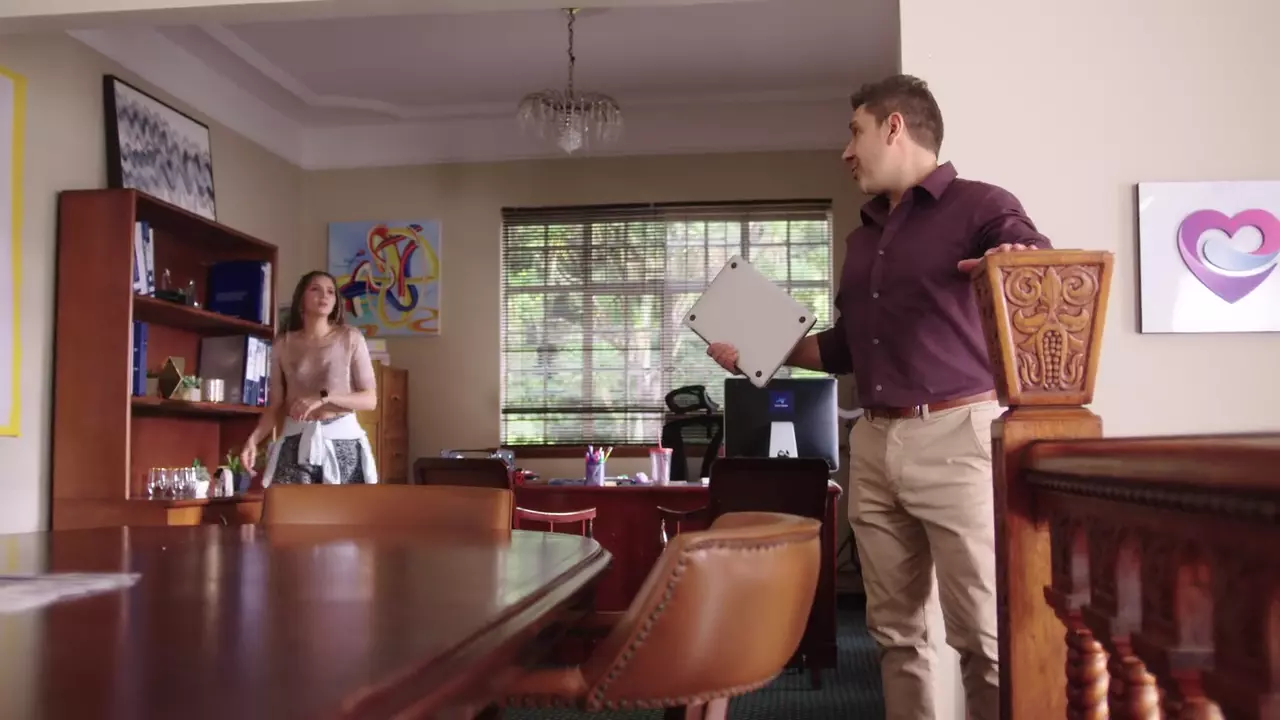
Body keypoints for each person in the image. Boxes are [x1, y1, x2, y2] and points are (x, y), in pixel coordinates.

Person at [707, 74, 1051, 720]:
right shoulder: (862, 239)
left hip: (957, 438)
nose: (846, 152)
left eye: (854, 132)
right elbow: (843, 350)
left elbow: (1028, 252)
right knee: (896, 634)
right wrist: (756, 350)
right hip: (873, 441)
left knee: (983, 635)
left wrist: (1013, 257)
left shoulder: (981, 204)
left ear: (894, 127)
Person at [240, 270, 380, 486]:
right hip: (295, 441)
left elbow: (370, 400)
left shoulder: (350, 337)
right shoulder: (282, 344)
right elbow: (275, 404)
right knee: (288, 506)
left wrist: (324, 398)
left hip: (343, 442)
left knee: (343, 508)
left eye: (330, 292)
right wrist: (253, 440)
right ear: (301, 299)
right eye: (316, 289)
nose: (324, 296)